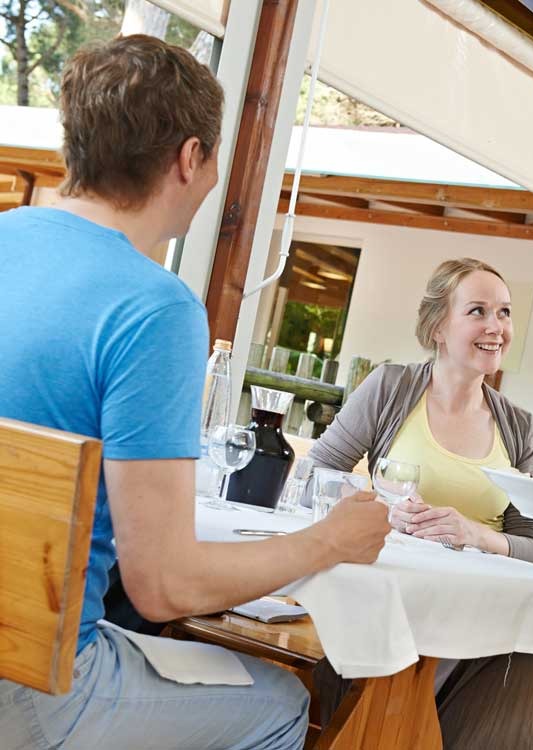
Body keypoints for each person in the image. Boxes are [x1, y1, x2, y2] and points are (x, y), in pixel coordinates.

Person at [0, 35, 390, 750]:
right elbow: (165, 585)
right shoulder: (154, 308)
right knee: (279, 701)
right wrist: (330, 540)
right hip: (31, 691)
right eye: (214, 157)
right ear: (189, 159)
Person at [309, 257, 533, 749]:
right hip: (389, 597)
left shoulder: (521, 427)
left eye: (504, 313)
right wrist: (378, 506)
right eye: (478, 311)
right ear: (438, 326)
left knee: (526, 653)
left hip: (480, 615)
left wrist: (477, 535)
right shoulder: (390, 387)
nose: (496, 327)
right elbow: (318, 473)